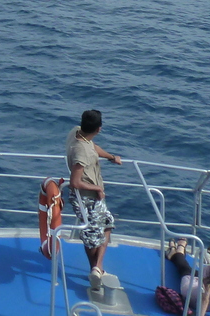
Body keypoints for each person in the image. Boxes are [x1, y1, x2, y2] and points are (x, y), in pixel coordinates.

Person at [66, 109, 121, 290]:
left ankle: (97, 269)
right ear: (99, 128)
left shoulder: (77, 132)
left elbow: (93, 147)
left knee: (107, 224)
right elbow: (75, 182)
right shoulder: (81, 153)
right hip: (86, 198)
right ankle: (95, 271)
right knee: (92, 238)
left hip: (93, 198)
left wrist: (112, 157)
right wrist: (97, 188)